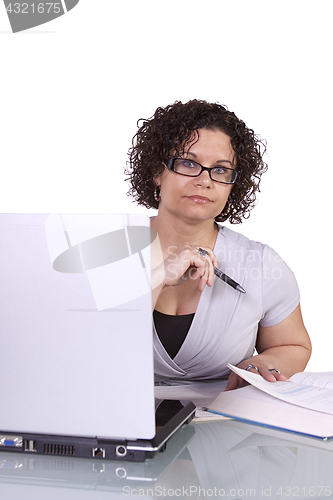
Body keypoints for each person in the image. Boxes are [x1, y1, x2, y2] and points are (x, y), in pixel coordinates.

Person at [126, 100, 311, 390]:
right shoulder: (107, 249)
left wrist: (261, 365)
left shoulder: (261, 264)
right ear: (157, 171)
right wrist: (158, 276)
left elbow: (293, 345)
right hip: (111, 422)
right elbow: (80, 344)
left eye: (221, 170)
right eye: (188, 163)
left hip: (220, 422)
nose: (205, 180)